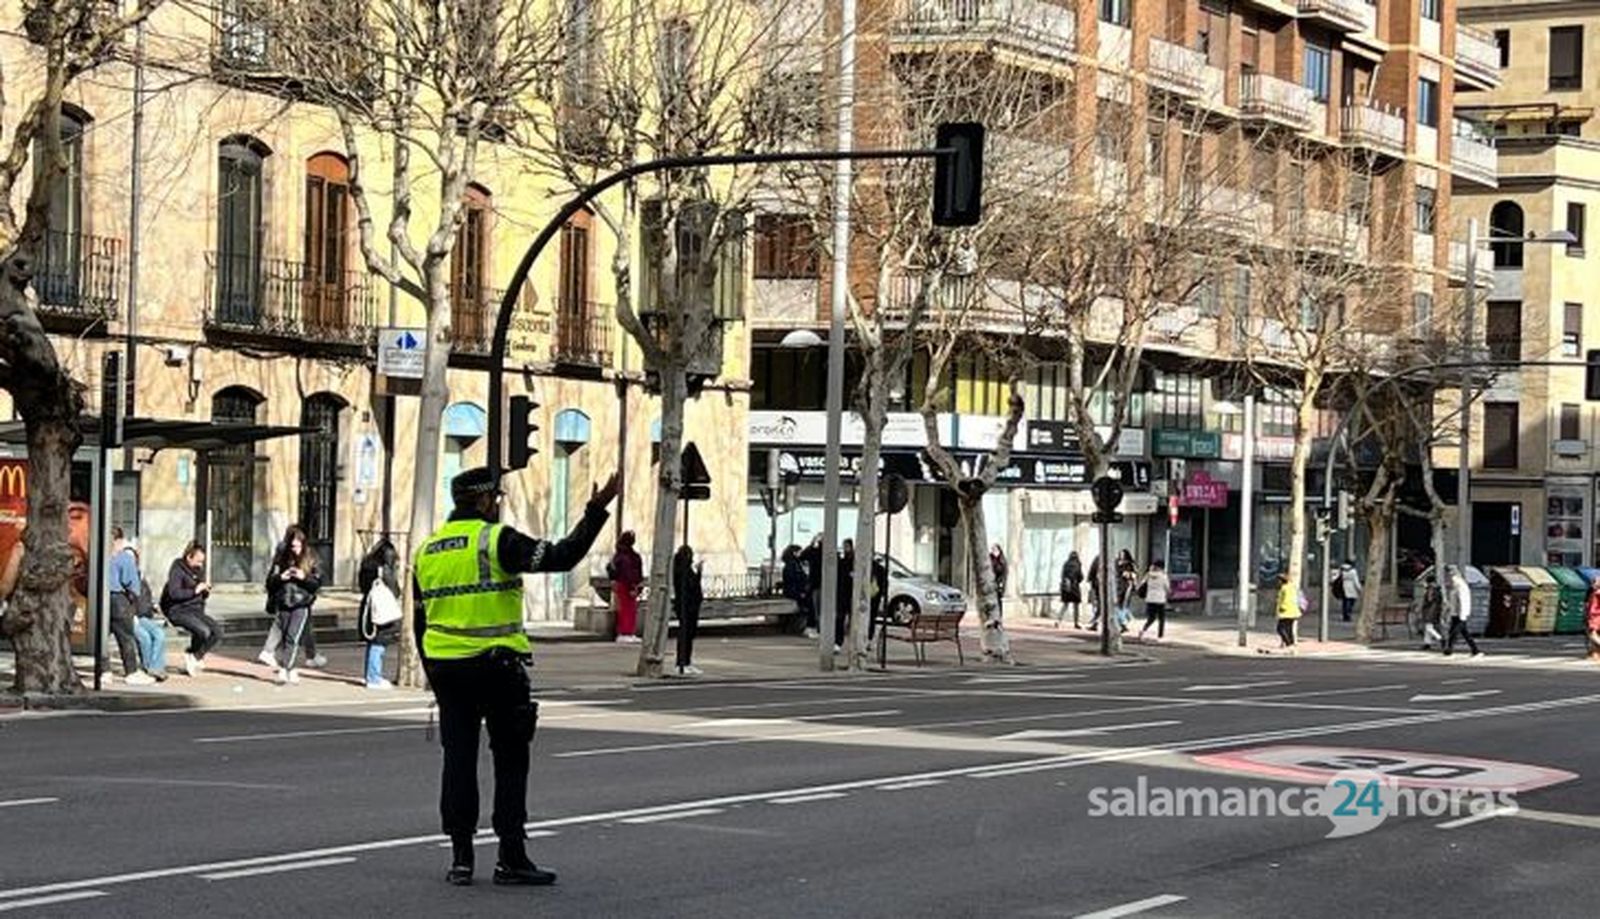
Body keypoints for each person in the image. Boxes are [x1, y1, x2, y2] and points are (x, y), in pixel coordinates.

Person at [416, 466, 618, 888]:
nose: (499, 505)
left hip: (447, 671)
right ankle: (511, 856)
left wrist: (433, 672)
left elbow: (421, 621)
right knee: (510, 762)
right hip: (497, 667)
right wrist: (597, 511)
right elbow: (562, 556)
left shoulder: (428, 549)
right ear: (486, 500)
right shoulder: (497, 540)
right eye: (498, 498)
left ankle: (461, 860)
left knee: (458, 761)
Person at [266, 526, 323, 685]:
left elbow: (317, 583)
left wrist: (303, 577)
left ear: (303, 545)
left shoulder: (311, 558)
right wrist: (280, 577)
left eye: (298, 546)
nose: (295, 550)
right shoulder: (281, 558)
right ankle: (291, 670)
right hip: (284, 601)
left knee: (293, 637)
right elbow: (269, 582)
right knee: (285, 638)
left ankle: (285, 668)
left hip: (301, 603)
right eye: (292, 546)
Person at [108, 529, 165, 684]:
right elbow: (131, 584)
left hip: (100, 598)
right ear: (119, 541)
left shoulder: (98, 554)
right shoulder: (124, 558)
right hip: (119, 599)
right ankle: (131, 672)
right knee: (126, 637)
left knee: (103, 636)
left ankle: (104, 671)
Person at [161, 542, 220, 676]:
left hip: (195, 609)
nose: (201, 565)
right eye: (198, 561)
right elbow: (174, 593)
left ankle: (195, 656)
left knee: (217, 632)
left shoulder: (198, 570)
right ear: (189, 557)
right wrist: (195, 590)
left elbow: (201, 594)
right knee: (203, 631)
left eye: (202, 561)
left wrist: (205, 591)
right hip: (178, 610)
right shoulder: (177, 570)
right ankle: (192, 655)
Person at [359, 538, 403, 689]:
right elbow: (395, 589)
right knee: (379, 643)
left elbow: (362, 586)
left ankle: (370, 675)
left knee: (373, 642)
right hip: (382, 609)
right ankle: (373, 677)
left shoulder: (367, 565)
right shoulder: (383, 569)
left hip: (369, 606)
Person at [672, 545, 704, 677]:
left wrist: (698, 572)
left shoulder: (687, 570)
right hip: (686, 606)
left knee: (689, 635)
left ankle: (687, 662)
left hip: (691, 606)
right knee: (685, 634)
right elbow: (690, 586)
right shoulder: (681, 570)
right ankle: (681, 663)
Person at [609, 531, 644, 644]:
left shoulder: (620, 555)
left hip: (624, 584)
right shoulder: (627, 557)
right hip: (626, 585)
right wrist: (633, 586)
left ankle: (628, 632)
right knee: (627, 609)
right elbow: (628, 573)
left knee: (628, 609)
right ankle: (625, 632)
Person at [1443, 565, 1482, 658]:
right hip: (1455, 612)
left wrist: (1462, 614)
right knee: (1464, 633)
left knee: (1454, 632)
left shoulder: (1459, 584)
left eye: (1448, 573)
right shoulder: (1455, 584)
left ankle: (1449, 650)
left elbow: (1462, 600)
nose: (1447, 576)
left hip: (1460, 613)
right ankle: (1475, 650)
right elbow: (1453, 600)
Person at [1137, 559, 1171, 642]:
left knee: (1151, 618)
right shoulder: (1163, 576)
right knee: (1161, 618)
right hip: (1160, 599)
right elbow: (1167, 588)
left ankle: (1143, 630)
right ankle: (1160, 635)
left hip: (1150, 599)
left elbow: (1141, 585)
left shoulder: (1148, 575)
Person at [781, 544, 812, 633]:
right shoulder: (792, 565)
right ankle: (804, 626)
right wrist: (801, 591)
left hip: (793, 590)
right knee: (808, 603)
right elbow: (794, 579)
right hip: (794, 591)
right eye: (799, 552)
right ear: (794, 553)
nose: (801, 554)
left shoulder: (793, 564)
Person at [835, 538, 856, 652]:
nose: (844, 548)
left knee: (852, 619)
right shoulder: (842, 561)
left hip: (851, 593)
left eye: (846, 546)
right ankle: (838, 642)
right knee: (840, 618)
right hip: (843, 593)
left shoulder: (854, 560)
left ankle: (851, 642)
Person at [802, 536, 823, 639]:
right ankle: (815, 627)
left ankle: (814, 627)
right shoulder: (818, 553)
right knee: (817, 608)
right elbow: (803, 556)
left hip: (815, 583)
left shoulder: (814, 552)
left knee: (815, 608)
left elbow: (803, 555)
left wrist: (811, 543)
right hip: (819, 584)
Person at [1273, 574, 1300, 654]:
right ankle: (1292, 645)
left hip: (1286, 612)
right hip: (1293, 611)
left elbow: (1285, 600)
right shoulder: (1292, 587)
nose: (1277, 582)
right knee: (1289, 629)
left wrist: (1281, 608)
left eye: (1278, 581)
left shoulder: (1284, 588)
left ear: (1281, 581)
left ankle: (1289, 645)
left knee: (1280, 629)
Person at [1114, 550, 1137, 633]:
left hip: (1126, 586)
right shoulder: (1116, 563)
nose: (1121, 556)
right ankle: (1125, 620)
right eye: (1120, 554)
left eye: (1123, 555)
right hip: (1118, 585)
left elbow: (1134, 575)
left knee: (1122, 604)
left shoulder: (1130, 564)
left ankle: (1123, 622)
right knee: (1118, 605)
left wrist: (1128, 574)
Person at [1060, 551, 1084, 629]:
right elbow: (1080, 576)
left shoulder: (1066, 564)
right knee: (1076, 606)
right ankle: (1076, 622)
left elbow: (1062, 575)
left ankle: (1058, 620)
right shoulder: (1078, 564)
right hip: (1074, 586)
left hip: (1066, 586)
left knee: (1065, 605)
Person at [989, 545, 1008, 619]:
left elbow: (1004, 574)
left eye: (995, 550)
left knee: (998, 601)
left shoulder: (1002, 560)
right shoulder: (990, 558)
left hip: (998, 583)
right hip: (991, 582)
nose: (994, 552)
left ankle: (998, 617)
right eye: (992, 550)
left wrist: (1002, 584)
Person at [1086, 555, 1103, 632]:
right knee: (1100, 605)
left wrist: (1090, 579)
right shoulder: (1110, 559)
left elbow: (1092, 570)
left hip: (1098, 586)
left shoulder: (1097, 559)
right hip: (1100, 586)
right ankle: (1095, 623)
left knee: (1100, 605)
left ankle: (1095, 622)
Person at [1586, 577, 1600, 663]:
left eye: (1595, 583)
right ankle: (1595, 654)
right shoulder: (1594, 592)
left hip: (1596, 616)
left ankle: (1595, 654)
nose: (1593, 585)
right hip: (1594, 616)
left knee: (1592, 634)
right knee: (1595, 635)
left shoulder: (1597, 593)